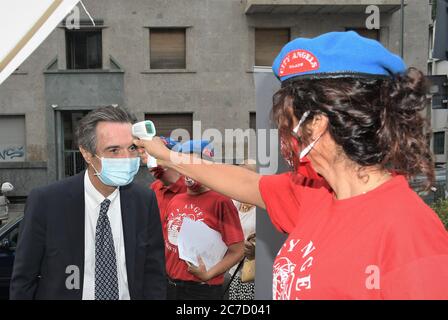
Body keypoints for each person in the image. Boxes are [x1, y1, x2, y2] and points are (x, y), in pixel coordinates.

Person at [134, 31, 448, 300]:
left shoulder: (410, 233)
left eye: (289, 121)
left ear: (319, 124)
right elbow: (244, 183)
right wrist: (166, 156)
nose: (286, 135)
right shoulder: (316, 196)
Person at [10, 106, 166, 300]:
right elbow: (24, 279)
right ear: (86, 153)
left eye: (132, 148)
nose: (126, 158)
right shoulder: (46, 202)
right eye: (114, 150)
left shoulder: (145, 200)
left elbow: (154, 273)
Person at [162, 140, 245, 300]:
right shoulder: (175, 200)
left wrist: (208, 275)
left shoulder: (221, 201)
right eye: (184, 165)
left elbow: (238, 250)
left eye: (194, 165)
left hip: (201, 291)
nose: (188, 171)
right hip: (170, 287)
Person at [227, 161, 256, 300]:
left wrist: (256, 252)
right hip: (232, 270)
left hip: (252, 271)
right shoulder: (234, 201)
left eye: (245, 174)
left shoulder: (262, 207)